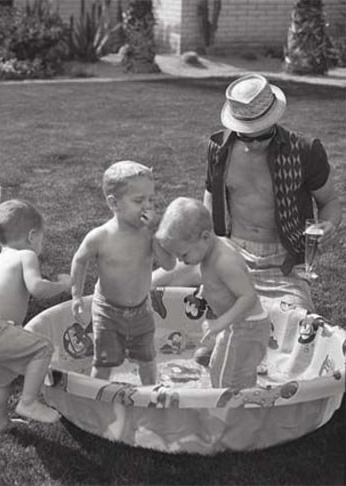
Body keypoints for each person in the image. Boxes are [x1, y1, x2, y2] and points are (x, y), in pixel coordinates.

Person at [152, 73, 342, 361]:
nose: (251, 143)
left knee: (299, 335)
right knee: (146, 285)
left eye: (260, 135)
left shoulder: (304, 151)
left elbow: (329, 201)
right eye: (245, 134)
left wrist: (329, 223)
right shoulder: (220, 149)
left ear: (273, 121)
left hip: (283, 265)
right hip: (228, 253)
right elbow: (209, 202)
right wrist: (206, 249)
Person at [0, 199, 72, 433]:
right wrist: (62, 285)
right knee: (43, 348)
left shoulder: (1, 259)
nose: (40, 244)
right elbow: (37, 289)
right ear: (32, 236)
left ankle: (1, 423)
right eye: (41, 238)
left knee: (0, 382)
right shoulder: (25, 255)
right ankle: (28, 402)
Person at [71, 161, 174, 385]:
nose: (147, 206)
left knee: (147, 359)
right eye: (139, 200)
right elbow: (79, 260)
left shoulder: (148, 235)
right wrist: (76, 295)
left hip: (141, 311)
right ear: (114, 203)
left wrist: (154, 235)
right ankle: (96, 403)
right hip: (108, 313)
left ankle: (151, 396)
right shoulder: (101, 237)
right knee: (104, 363)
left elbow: (168, 265)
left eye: (150, 199)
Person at [156, 197, 271, 388]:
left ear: (205, 237)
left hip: (245, 327)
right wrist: (206, 290)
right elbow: (218, 282)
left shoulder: (223, 261)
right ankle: (245, 379)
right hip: (238, 326)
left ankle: (233, 413)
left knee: (225, 377)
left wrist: (221, 323)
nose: (182, 261)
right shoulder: (210, 251)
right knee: (226, 368)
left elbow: (248, 296)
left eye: (184, 255)